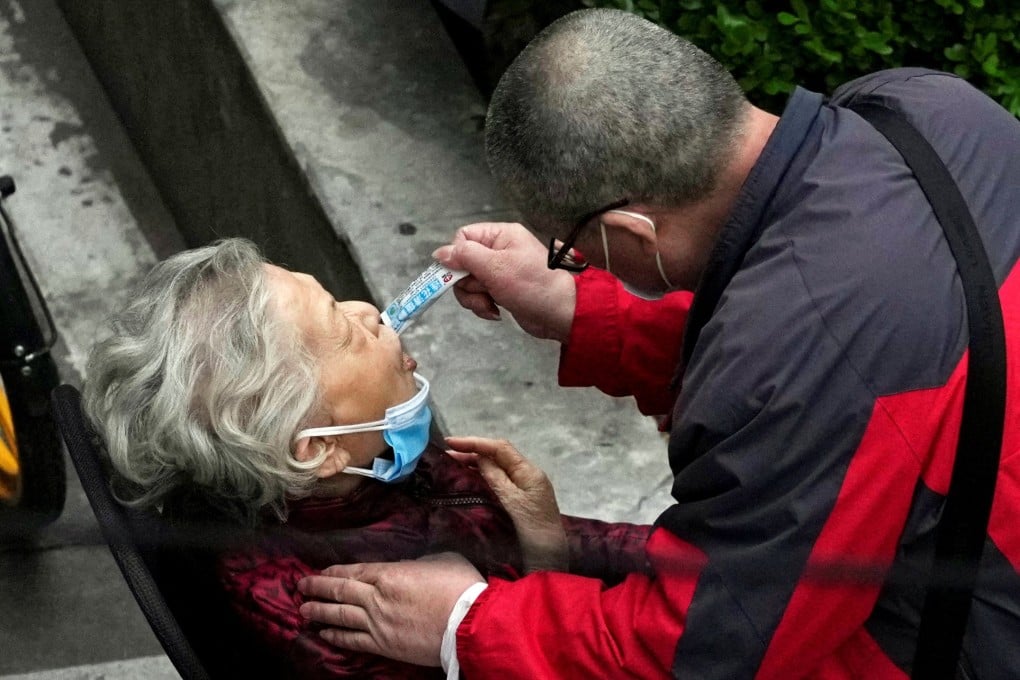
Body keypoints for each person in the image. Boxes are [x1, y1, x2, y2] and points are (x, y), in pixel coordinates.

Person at [296, 7, 1020, 679]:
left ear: (630, 232)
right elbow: (861, 355)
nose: (571, 259)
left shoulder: (795, 364)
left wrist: (465, 622)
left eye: (571, 248)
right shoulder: (920, 107)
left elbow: (704, 649)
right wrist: (582, 308)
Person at [82, 238, 651, 679]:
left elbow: (667, 566)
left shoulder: (372, 469)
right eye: (344, 328)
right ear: (318, 449)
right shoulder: (334, 612)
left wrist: (545, 537)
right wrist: (530, 577)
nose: (370, 311)